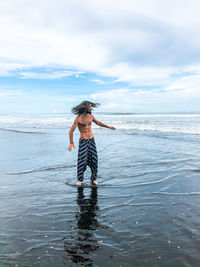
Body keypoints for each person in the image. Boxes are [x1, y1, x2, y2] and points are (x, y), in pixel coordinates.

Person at [68, 101, 115, 186]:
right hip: (83, 141)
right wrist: (71, 143)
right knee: (82, 160)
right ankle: (80, 180)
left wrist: (109, 127)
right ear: (85, 108)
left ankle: (93, 178)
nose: (91, 108)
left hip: (92, 140)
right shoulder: (78, 118)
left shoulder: (91, 116)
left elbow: (98, 123)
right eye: (90, 107)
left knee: (94, 160)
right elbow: (71, 131)